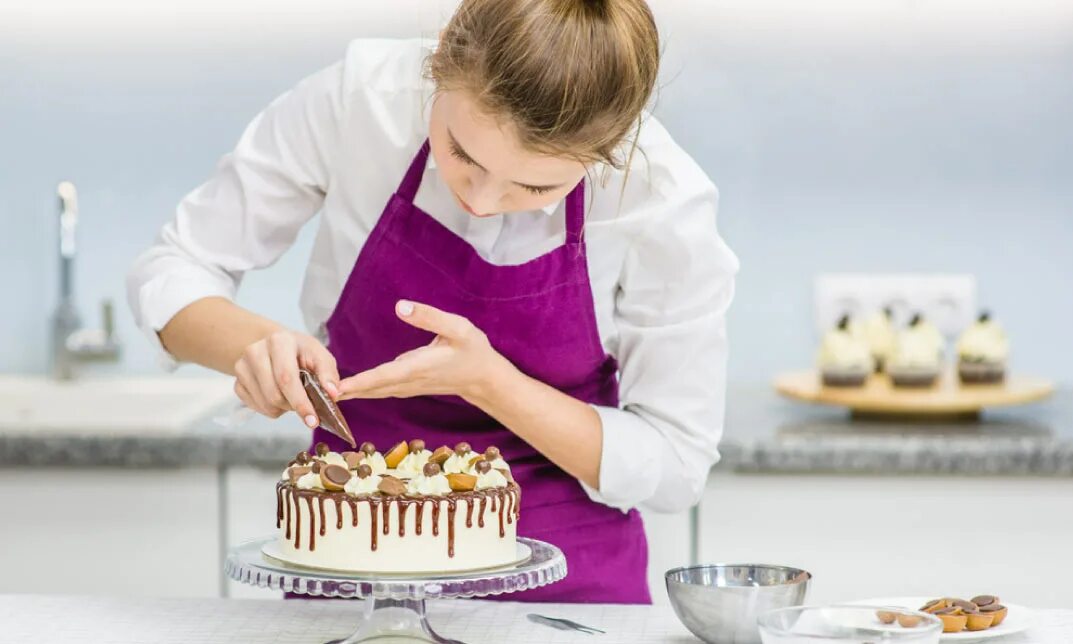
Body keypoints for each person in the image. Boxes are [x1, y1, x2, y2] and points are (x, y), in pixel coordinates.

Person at [127, 0, 738, 603]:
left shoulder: (661, 196)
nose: (482, 199)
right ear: (441, 58)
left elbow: (676, 464)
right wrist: (256, 347)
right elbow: (174, 269)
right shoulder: (361, 102)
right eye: (462, 153)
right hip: (352, 568)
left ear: (611, 148)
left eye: (535, 186)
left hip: (564, 594)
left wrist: (493, 384)